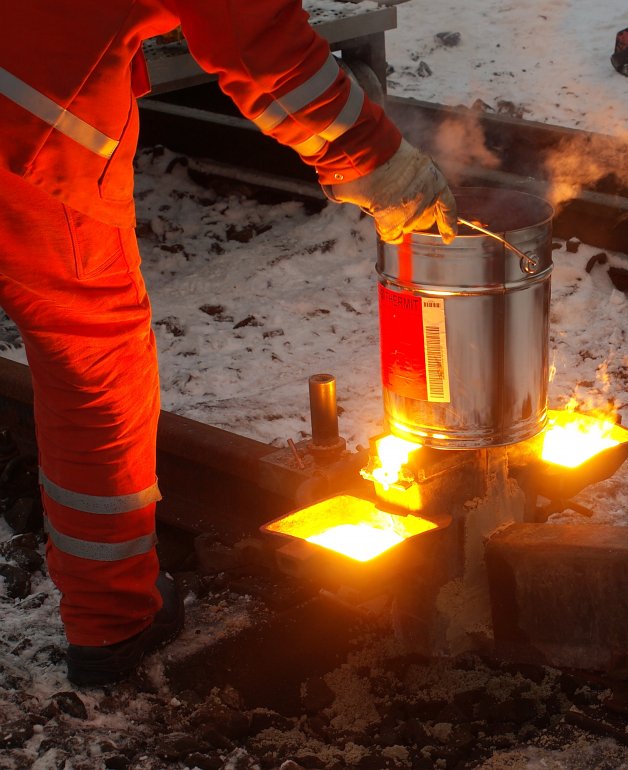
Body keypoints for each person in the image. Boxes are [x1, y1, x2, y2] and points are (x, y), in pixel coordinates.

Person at [0, 1, 457, 687]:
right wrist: (374, 157)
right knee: (90, 355)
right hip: (22, 115)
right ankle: (111, 616)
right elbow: (255, 40)